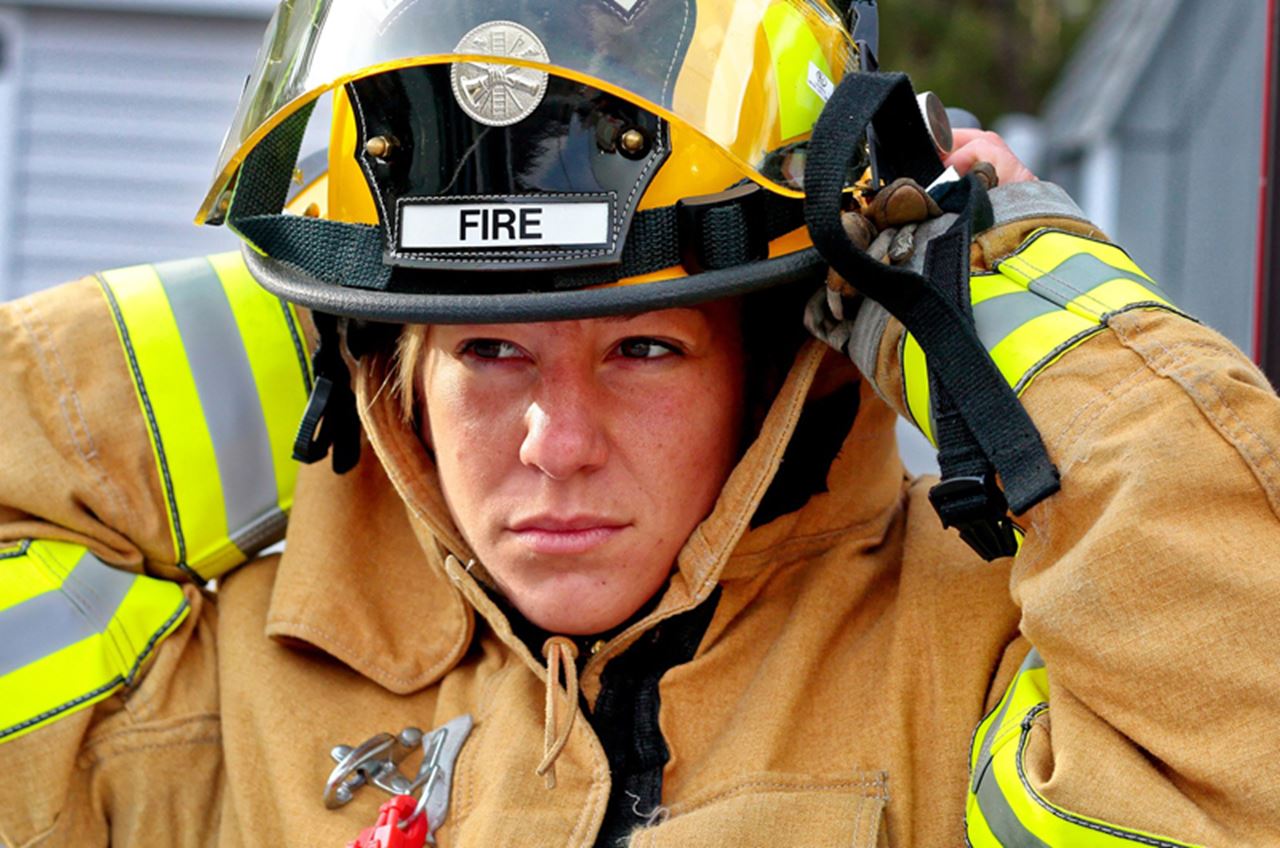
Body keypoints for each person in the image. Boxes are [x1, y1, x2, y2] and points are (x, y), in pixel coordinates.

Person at [1, 1, 1278, 846]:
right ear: (393, 367)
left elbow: (1233, 723)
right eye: (487, 350)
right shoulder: (218, 691)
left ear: (782, 349)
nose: (556, 441)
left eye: (645, 347)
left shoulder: (986, 653)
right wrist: (318, 302)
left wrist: (991, 294)